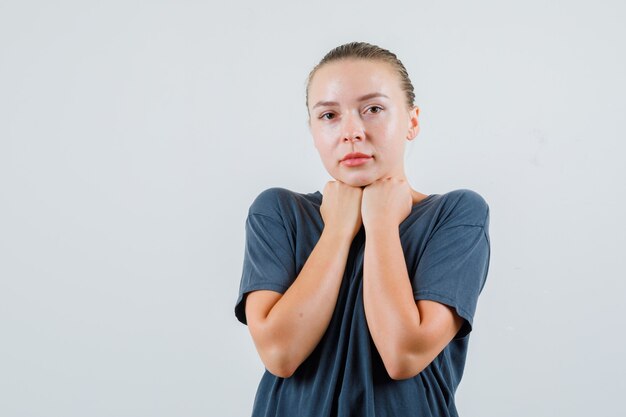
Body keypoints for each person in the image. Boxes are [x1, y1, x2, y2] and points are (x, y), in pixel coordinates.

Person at [234, 41, 491, 417]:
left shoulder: (456, 215)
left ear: (412, 121)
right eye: (329, 115)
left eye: (373, 109)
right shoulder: (278, 213)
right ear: (312, 130)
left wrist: (382, 223)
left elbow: (403, 354)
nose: (351, 131)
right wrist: (338, 228)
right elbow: (279, 353)